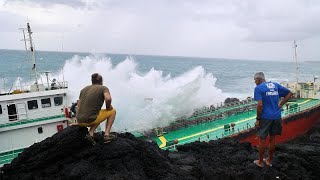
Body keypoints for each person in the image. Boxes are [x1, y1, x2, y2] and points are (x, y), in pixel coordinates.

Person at [253, 72, 292, 167]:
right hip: (277, 116)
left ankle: (260, 161)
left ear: (258, 79)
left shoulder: (258, 88)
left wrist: (258, 119)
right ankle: (269, 160)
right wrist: (280, 105)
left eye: (255, 80)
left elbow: (260, 104)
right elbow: (290, 93)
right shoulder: (275, 85)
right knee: (272, 139)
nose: (254, 82)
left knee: (262, 140)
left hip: (266, 117)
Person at [73, 73, 117, 145]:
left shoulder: (83, 89)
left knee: (97, 113)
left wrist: (79, 120)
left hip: (80, 122)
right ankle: (107, 135)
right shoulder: (103, 88)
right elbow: (108, 99)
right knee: (113, 111)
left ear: (92, 81)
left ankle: (90, 134)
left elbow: (78, 106)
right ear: (101, 81)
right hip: (90, 121)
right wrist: (108, 107)